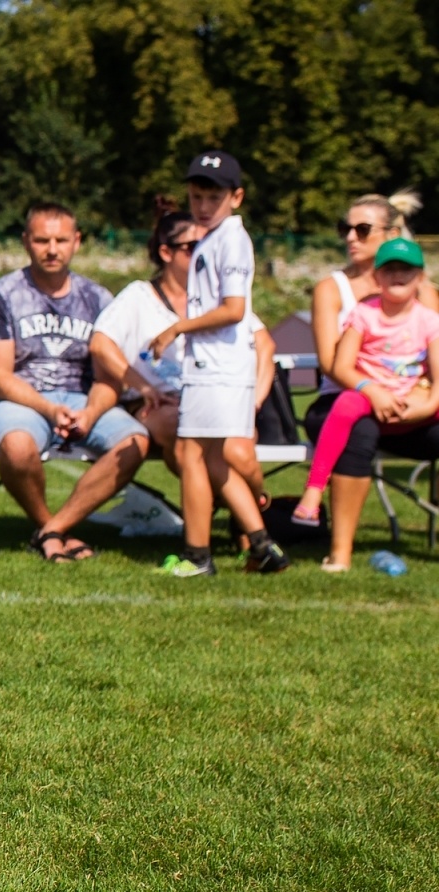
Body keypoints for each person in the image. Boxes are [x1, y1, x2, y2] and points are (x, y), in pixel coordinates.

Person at [0, 202, 147, 561]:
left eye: (60, 240)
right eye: (41, 240)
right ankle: (49, 526)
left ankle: (54, 530)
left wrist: (89, 412)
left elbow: (108, 377)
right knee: (17, 448)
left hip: (83, 399)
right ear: (26, 242)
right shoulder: (2, 294)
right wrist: (49, 409)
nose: (52, 249)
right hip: (24, 400)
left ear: (77, 242)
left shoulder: (99, 298)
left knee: (135, 442)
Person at [149, 151, 288, 576]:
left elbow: (233, 309)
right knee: (213, 460)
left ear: (236, 197)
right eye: (196, 196)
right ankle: (264, 547)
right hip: (216, 366)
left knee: (191, 453)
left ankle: (197, 556)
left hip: (218, 367)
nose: (203, 205)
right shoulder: (213, 237)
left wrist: (177, 328)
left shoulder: (231, 239)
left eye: (214, 197)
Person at [90, 207, 275, 497]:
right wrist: (144, 386)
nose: (203, 253)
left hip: (216, 399)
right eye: (192, 247)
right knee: (187, 440)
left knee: (237, 451)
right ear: (166, 253)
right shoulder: (139, 296)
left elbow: (265, 345)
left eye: (206, 245)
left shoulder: (215, 300)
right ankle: (253, 517)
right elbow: (100, 344)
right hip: (158, 404)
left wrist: (255, 401)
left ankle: (250, 514)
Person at [301, 191, 439, 570]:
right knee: (358, 430)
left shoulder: (423, 292)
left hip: (407, 404)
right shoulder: (334, 290)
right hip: (344, 400)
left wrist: (422, 398)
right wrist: (372, 391)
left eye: (362, 230)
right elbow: (332, 363)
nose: (350, 237)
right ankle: (341, 551)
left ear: (392, 232)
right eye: (345, 228)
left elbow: (431, 357)